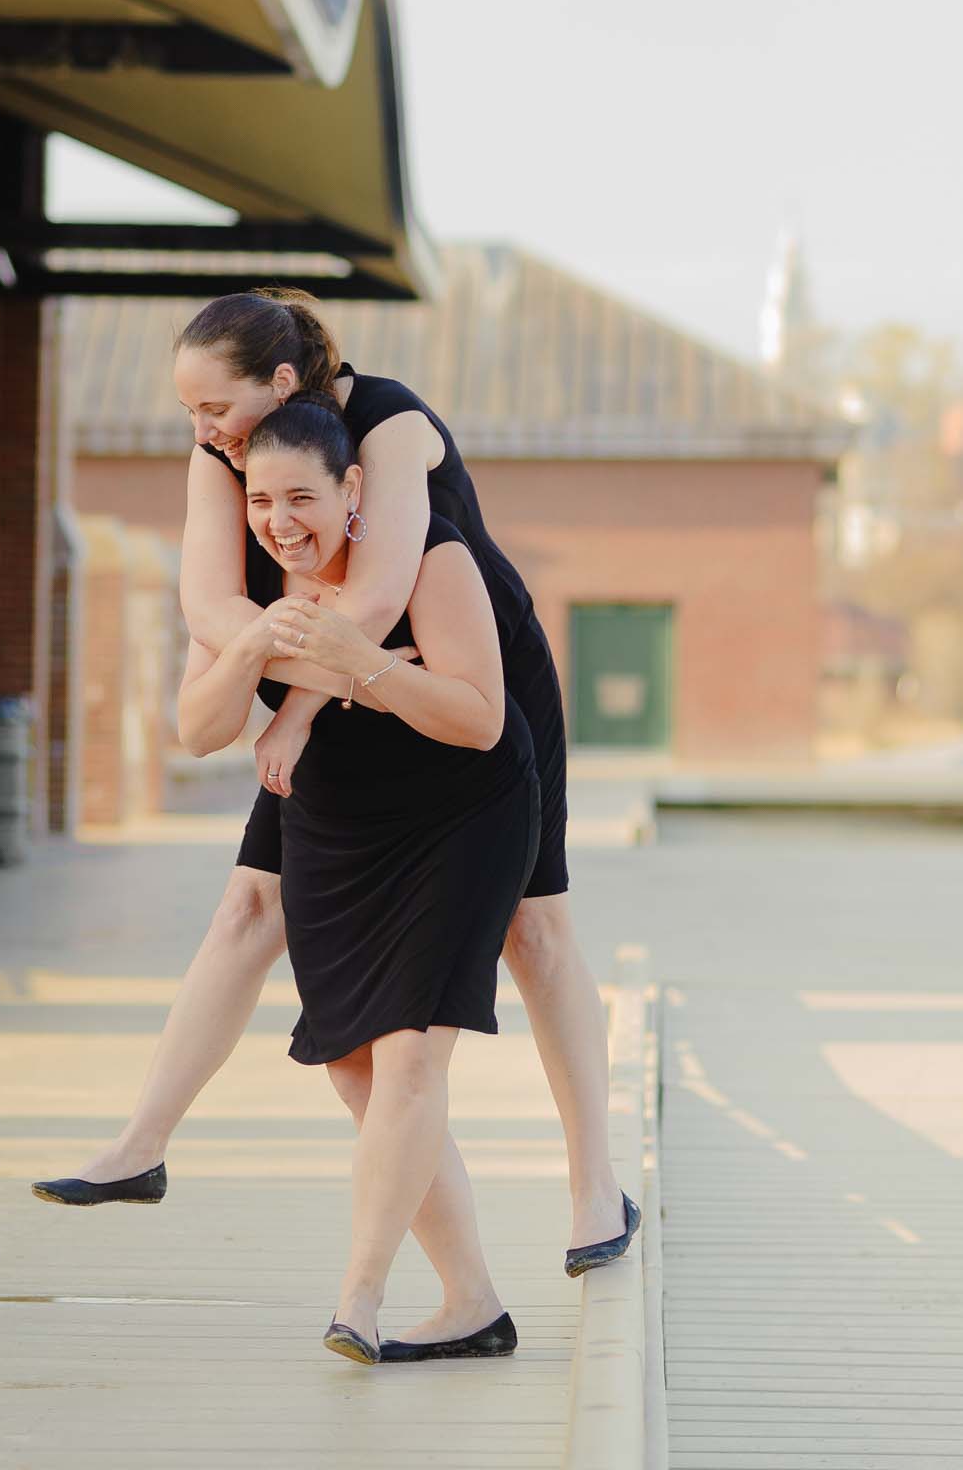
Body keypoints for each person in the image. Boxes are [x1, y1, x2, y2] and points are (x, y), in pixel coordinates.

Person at [32, 289, 639, 1278]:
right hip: (327, 677)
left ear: (277, 384)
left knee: (533, 931)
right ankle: (141, 1142)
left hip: (466, 677)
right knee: (244, 905)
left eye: (211, 408)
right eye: (188, 413)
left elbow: (376, 593)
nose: (201, 431)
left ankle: (592, 1184)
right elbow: (208, 598)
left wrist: (291, 700)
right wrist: (254, 658)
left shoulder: (387, 422)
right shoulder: (224, 457)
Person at [189, 395, 538, 1360]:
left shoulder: (435, 560)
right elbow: (192, 724)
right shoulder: (254, 590)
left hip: (463, 816)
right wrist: (258, 650)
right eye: (259, 501)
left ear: (353, 491)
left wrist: (359, 667)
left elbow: (478, 719)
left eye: (300, 497)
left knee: (411, 1057)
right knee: (353, 1064)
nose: (278, 521)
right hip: (344, 829)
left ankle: (359, 1299)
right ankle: (472, 1303)